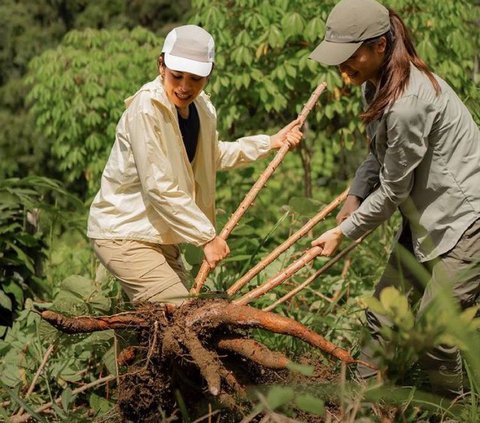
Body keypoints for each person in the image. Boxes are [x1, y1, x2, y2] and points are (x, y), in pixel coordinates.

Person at [308, 0, 480, 397]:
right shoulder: (374, 83)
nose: (341, 68)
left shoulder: (407, 103)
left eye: (350, 57)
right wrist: (354, 194)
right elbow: (378, 155)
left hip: (465, 220)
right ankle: (364, 406)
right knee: (382, 315)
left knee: (434, 338)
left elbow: (393, 190)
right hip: (426, 215)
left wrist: (343, 233)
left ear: (380, 46)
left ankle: (456, 411)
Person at [87, 25, 302, 306]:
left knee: (161, 326)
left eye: (196, 78)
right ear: (161, 65)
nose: (185, 87)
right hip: (124, 233)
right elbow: (158, 186)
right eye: (177, 76)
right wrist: (206, 237)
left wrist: (269, 142)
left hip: (160, 237)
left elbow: (211, 156)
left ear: (209, 74)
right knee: (180, 316)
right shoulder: (146, 109)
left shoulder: (201, 109)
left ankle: (132, 350)